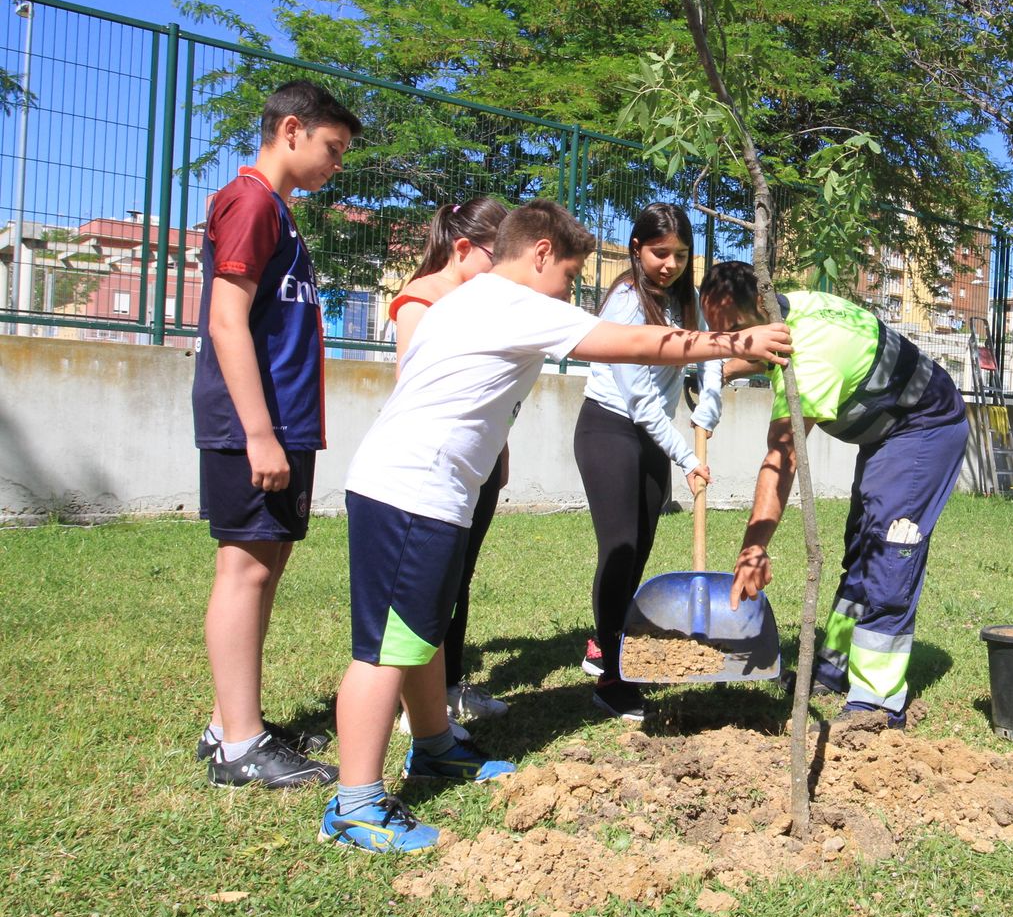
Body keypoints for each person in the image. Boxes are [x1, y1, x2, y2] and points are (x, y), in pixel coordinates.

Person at [321, 199, 790, 853]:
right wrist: (735, 341)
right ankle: (356, 804)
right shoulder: (514, 301)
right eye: (569, 275)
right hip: (413, 492)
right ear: (540, 253)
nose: (571, 290)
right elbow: (634, 343)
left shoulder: (469, 298)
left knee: (420, 633)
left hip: (424, 488)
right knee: (385, 648)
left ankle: (433, 747)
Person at [700, 261, 969, 729]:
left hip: (925, 427)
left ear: (763, 314)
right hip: (887, 433)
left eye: (735, 333)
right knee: (862, 547)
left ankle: (877, 703)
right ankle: (833, 667)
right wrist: (721, 370)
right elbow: (756, 350)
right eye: (718, 335)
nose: (730, 343)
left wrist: (754, 547)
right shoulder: (790, 310)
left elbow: (782, 458)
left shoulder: (812, 355)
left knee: (890, 550)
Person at [192, 80, 361, 789]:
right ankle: (239, 745)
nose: (336, 164)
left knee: (268, 567)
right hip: (251, 427)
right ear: (291, 129)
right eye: (332, 148)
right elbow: (226, 321)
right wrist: (259, 433)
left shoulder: (279, 211)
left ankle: (231, 721)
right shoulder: (252, 201)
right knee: (245, 568)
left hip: (286, 425)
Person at [574, 203, 723, 723]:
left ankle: (604, 643)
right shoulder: (626, 302)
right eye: (661, 253)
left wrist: (712, 396)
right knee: (619, 545)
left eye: (681, 255)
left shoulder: (683, 298)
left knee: (640, 548)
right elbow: (640, 403)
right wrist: (685, 455)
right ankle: (612, 679)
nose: (671, 264)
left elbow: (710, 352)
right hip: (610, 428)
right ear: (637, 248)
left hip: (652, 438)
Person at [389, 197, 511, 735]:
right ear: (464, 248)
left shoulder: (481, 304)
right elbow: (416, 393)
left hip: (476, 465)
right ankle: (408, 704)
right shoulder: (420, 301)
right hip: (429, 471)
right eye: (497, 256)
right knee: (426, 584)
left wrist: (499, 453)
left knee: (458, 579)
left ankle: (449, 686)